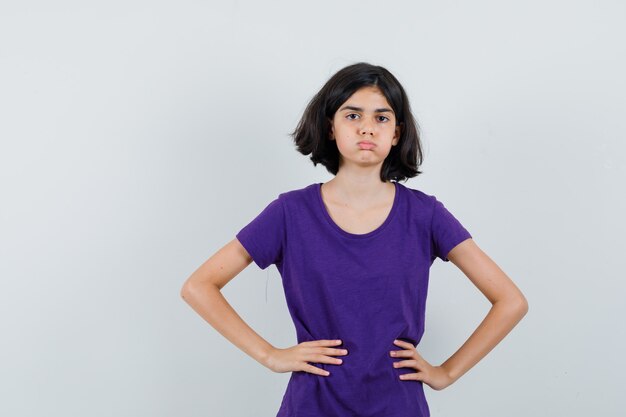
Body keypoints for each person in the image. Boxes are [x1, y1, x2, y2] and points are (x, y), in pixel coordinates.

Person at [181, 62, 529, 417]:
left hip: (399, 406)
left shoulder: (425, 215)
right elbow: (199, 286)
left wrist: (446, 373)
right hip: (312, 405)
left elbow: (510, 300)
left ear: (397, 133)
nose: (367, 127)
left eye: (382, 117)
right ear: (330, 127)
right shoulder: (290, 212)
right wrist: (270, 355)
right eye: (352, 115)